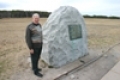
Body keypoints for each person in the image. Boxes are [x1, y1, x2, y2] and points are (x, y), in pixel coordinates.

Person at [25, 13, 43, 77]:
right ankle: (36, 71)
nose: (36, 19)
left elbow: (40, 35)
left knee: (37, 58)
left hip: (40, 45)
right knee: (34, 59)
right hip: (34, 46)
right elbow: (27, 38)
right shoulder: (29, 26)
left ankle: (35, 67)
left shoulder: (39, 25)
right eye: (35, 18)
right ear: (32, 18)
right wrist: (30, 48)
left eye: (37, 18)